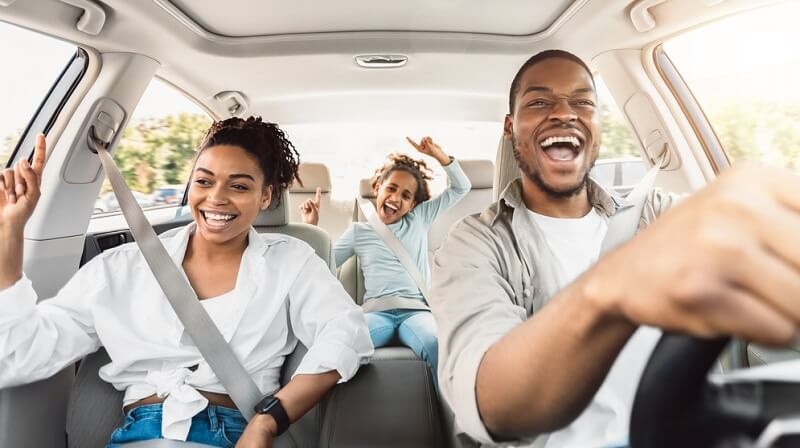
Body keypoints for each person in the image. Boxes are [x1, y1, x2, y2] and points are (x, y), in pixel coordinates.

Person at [430, 49, 800, 447]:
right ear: (510, 126)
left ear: (598, 123)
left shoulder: (657, 214)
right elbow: (492, 402)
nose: (564, 113)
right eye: (539, 102)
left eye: (583, 102)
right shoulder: (474, 244)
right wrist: (610, 291)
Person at [0, 117, 373, 447]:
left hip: (232, 431)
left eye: (239, 187)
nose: (216, 198)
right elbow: (18, 353)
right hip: (136, 432)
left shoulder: (291, 260)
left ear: (266, 196)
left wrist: (266, 421)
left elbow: (347, 332)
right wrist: (11, 230)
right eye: (204, 181)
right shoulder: (122, 266)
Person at [300, 136, 470, 384]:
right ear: (377, 188)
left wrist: (440, 157)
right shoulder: (359, 231)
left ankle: (456, 416)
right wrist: (313, 228)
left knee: (436, 344)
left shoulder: (420, 219)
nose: (396, 198)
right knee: (342, 345)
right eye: (391, 189)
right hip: (376, 314)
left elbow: (461, 187)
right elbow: (324, 267)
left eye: (406, 195)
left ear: (413, 204)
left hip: (417, 313)